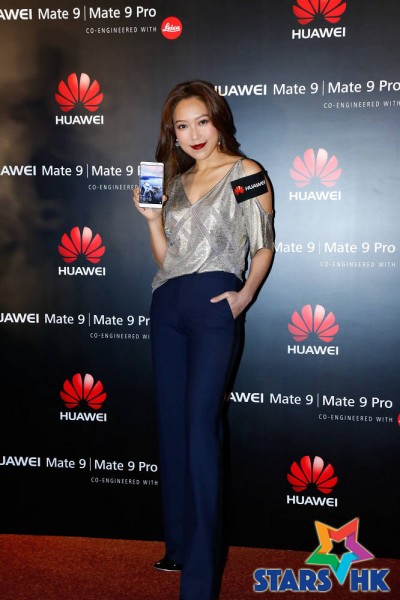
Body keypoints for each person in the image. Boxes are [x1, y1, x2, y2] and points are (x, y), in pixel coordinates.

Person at [133, 80, 274, 600]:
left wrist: (244, 296)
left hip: (214, 304)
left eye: (201, 122)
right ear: (172, 134)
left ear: (218, 121)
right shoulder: (172, 183)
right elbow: (166, 258)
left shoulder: (246, 172)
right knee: (172, 428)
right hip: (166, 305)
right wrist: (153, 221)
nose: (193, 134)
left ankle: (198, 583)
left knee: (199, 429)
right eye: (182, 126)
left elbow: (263, 245)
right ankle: (179, 545)